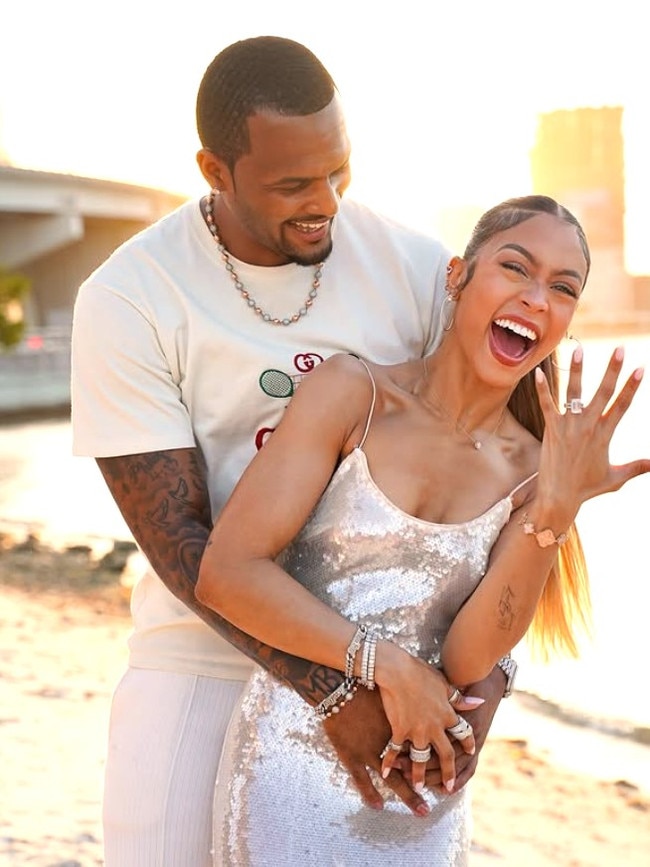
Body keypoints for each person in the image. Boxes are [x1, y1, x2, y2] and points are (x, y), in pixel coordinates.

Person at [72, 36, 505, 865]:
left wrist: (478, 687)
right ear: (214, 170)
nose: (327, 203)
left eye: (339, 172)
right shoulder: (130, 297)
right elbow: (182, 542)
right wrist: (332, 684)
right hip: (197, 665)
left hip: (390, 681)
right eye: (293, 185)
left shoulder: (416, 269)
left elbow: (485, 468)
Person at [195, 195, 649, 864]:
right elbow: (226, 573)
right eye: (515, 268)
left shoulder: (535, 472)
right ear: (458, 275)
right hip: (290, 766)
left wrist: (554, 513)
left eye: (563, 288)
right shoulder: (354, 394)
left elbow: (469, 659)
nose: (535, 298)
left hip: (420, 798)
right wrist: (387, 666)